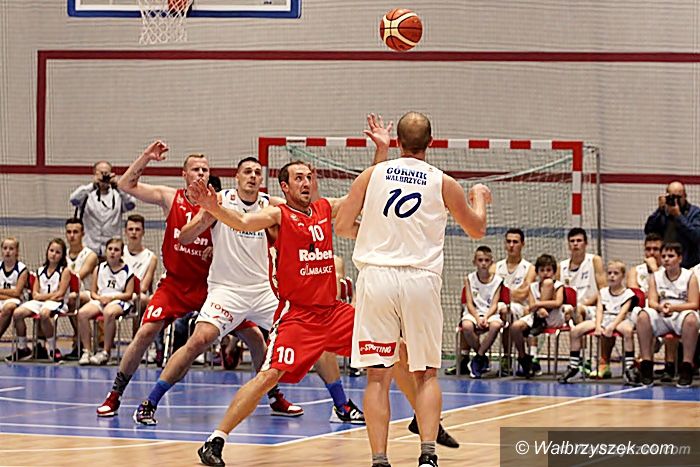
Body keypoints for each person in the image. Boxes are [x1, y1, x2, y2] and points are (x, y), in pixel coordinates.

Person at [335, 111, 490, 467]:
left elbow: (341, 226)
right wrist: (479, 196)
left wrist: (375, 236)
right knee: (426, 373)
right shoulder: (442, 182)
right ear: (431, 143)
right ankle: (427, 456)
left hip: (377, 278)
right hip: (420, 280)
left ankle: (379, 459)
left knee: (378, 376)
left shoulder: (372, 175)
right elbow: (477, 229)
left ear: (398, 143)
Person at [192, 159, 368, 467]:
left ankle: (423, 420)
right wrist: (213, 207)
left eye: (309, 177)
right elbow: (243, 221)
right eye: (299, 178)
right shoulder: (278, 215)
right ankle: (215, 440)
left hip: (333, 312)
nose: (306, 182)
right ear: (284, 186)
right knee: (268, 376)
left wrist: (381, 151)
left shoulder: (325, 208)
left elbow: (361, 193)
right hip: (297, 317)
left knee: (393, 346)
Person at [132, 156, 303, 425]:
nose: (252, 176)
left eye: (257, 172)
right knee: (198, 341)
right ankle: (149, 402)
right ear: (237, 177)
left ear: (262, 179)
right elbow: (184, 236)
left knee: (301, 331)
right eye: (247, 171)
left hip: (262, 292)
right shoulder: (220, 201)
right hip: (226, 291)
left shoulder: (271, 205)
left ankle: (333, 402)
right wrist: (205, 216)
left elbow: (306, 215)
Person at [95, 141, 212, 418]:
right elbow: (126, 184)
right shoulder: (170, 197)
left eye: (205, 170)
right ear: (184, 174)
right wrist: (146, 156)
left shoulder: (217, 204)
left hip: (209, 286)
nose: (201, 173)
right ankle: (115, 394)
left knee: (253, 335)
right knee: (145, 333)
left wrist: (217, 250)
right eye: (195, 169)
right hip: (174, 285)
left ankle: (274, 395)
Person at [558, 260, 637, 385]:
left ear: (623, 276)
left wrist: (612, 326)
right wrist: (598, 326)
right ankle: (574, 366)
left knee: (628, 331)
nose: (612, 276)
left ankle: (629, 368)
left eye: (616, 273)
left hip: (619, 320)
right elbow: (599, 310)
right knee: (575, 331)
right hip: (604, 318)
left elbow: (623, 313)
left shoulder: (628, 294)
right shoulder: (603, 292)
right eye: (609, 273)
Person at [636, 242, 699, 388]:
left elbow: (694, 303)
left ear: (680, 258)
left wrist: (674, 308)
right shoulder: (655, 276)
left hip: (681, 312)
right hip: (662, 313)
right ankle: (646, 365)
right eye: (663, 256)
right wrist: (660, 307)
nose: (666, 259)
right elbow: (652, 301)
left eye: (670, 256)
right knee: (643, 315)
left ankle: (686, 367)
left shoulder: (690, 276)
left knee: (691, 319)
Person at [10, 238, 72, 360]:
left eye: (57, 252)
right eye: (51, 250)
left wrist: (43, 297)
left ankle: (53, 349)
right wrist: (46, 296)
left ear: (62, 255)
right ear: (47, 252)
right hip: (40, 302)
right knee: (17, 313)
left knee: (44, 314)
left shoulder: (64, 271)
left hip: (57, 303)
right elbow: (35, 294)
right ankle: (23, 348)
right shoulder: (40, 271)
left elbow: (60, 294)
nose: (53, 254)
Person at [77, 238, 135, 365]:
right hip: (101, 299)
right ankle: (87, 351)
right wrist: (99, 298)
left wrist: (112, 298)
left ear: (121, 253)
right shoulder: (99, 268)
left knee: (109, 313)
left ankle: (105, 352)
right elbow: (93, 292)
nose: (112, 252)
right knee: (82, 313)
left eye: (116, 250)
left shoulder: (128, 270)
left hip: (119, 300)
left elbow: (129, 294)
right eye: (110, 249)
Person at [510, 254, 565, 379]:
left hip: (553, 317)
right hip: (536, 316)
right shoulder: (532, 286)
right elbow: (531, 305)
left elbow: (558, 303)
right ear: (537, 272)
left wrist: (539, 305)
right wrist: (538, 309)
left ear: (554, 272)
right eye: (542, 270)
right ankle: (524, 358)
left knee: (548, 283)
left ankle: (539, 323)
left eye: (548, 270)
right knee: (515, 327)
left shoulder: (558, 285)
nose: (545, 273)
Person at [69, 161, 136, 256]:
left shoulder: (118, 195)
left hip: (113, 251)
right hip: (89, 249)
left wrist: (118, 186)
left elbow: (131, 204)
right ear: (94, 174)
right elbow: (73, 199)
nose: (104, 176)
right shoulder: (86, 194)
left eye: (106, 173)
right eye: (101, 173)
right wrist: (92, 185)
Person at [461, 245, 504, 379]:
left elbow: (494, 304)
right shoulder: (469, 278)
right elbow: (469, 303)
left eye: (486, 260)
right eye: (480, 260)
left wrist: (485, 317)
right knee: (467, 326)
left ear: (491, 262)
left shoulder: (498, 280)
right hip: (473, 313)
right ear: (474, 262)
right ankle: (482, 357)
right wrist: (477, 318)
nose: (483, 263)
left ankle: (478, 358)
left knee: (496, 325)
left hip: (490, 313)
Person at [63, 218, 99, 360]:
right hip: (67, 294)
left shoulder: (90, 255)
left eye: (75, 232)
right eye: (69, 232)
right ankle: (42, 345)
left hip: (89, 294)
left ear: (83, 234)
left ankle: (83, 343)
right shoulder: (62, 254)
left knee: (73, 298)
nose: (72, 235)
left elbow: (77, 277)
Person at [644, 181, 700, 268]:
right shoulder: (663, 213)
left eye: (679, 197)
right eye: (673, 197)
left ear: (685, 196)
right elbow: (648, 230)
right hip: (665, 262)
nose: (676, 200)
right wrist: (659, 210)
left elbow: (696, 236)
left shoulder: (695, 213)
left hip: (689, 264)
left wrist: (678, 216)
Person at [557, 227, 606, 326]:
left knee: (578, 311)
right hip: (567, 309)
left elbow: (603, 289)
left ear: (586, 243)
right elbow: (557, 294)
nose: (575, 244)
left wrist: (584, 304)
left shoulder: (594, 261)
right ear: (568, 245)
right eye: (572, 241)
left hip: (590, 307)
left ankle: (579, 335)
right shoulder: (561, 266)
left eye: (579, 241)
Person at [122, 214, 158, 314]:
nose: (134, 232)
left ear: (143, 232)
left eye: (137, 229)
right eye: (130, 229)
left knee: (141, 299)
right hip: (118, 293)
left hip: (137, 295)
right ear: (125, 232)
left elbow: (143, 288)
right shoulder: (119, 252)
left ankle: (138, 325)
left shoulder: (151, 257)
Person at [0, 237, 29, 358]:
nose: (7, 251)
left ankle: (22, 346)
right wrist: (7, 294)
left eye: (11, 249)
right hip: (3, 298)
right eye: (5, 248)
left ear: (17, 252)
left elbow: (17, 292)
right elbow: (13, 291)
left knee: (9, 307)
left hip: (18, 301)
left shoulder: (22, 269)